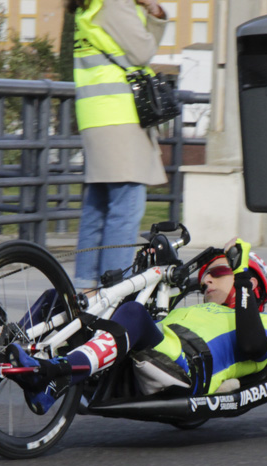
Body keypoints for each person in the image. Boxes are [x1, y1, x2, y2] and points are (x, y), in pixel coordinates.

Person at [0, 240, 267, 415]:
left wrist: (240, 279)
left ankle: (56, 373)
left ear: (252, 283)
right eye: (206, 272)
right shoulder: (194, 309)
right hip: (151, 352)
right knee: (59, 300)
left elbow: (253, 346)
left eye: (219, 271)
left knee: (133, 314)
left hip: (187, 368)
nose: (206, 278)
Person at [69, 0, 169, 288]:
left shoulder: (90, 6)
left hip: (96, 115)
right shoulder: (114, 4)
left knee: (98, 207)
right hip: (119, 116)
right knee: (125, 209)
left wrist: (154, 15)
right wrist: (153, 12)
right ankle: (114, 293)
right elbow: (142, 51)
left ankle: (85, 291)